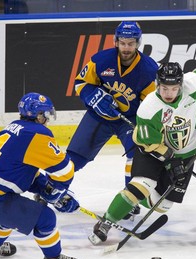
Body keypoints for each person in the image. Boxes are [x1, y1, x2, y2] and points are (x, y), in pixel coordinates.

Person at [88, 62, 196, 245]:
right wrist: (170, 161)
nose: (168, 93)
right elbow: (150, 143)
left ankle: (134, 200)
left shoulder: (193, 85)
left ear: (181, 85)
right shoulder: (149, 108)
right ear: (158, 84)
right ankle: (107, 221)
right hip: (151, 149)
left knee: (162, 205)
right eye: (164, 88)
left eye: (173, 89)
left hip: (187, 151)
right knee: (141, 186)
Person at [0, 92, 81, 259]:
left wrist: (44, 188)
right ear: (39, 116)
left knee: (9, 213)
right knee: (45, 218)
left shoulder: (12, 127)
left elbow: (18, 171)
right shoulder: (38, 134)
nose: (47, 120)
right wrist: (57, 192)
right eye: (46, 115)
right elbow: (64, 172)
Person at [66, 21, 158, 220]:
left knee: (138, 156)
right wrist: (92, 96)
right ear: (116, 41)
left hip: (129, 119)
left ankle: (129, 201)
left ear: (138, 43)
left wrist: (144, 122)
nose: (126, 48)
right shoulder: (101, 60)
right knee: (75, 156)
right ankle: (51, 188)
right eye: (123, 43)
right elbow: (81, 82)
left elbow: (151, 104)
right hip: (98, 116)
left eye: (131, 43)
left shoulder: (149, 70)